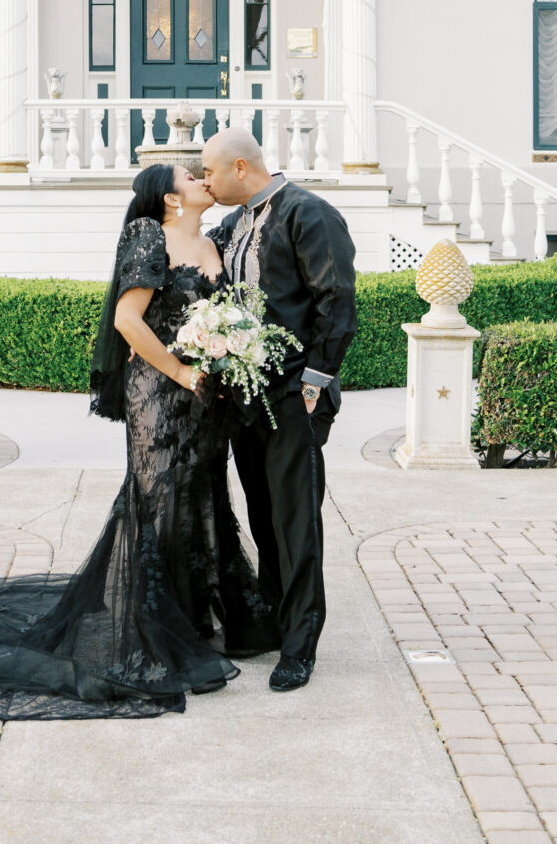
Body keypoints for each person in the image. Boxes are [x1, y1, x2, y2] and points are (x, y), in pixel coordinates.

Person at [0, 163, 275, 719]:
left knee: (203, 493)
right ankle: (152, 627)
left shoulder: (213, 242)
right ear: (169, 197)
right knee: (159, 499)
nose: (203, 180)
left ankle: (195, 618)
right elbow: (127, 319)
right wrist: (182, 372)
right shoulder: (150, 235)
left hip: (204, 400)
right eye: (192, 176)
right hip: (161, 394)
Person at [202, 125, 356, 693]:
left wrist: (313, 386)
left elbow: (335, 301)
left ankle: (300, 643)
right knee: (264, 516)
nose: (205, 181)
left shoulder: (307, 214)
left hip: (294, 397)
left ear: (240, 168)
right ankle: (271, 620)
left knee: (296, 521)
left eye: (210, 171)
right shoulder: (231, 224)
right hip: (245, 396)